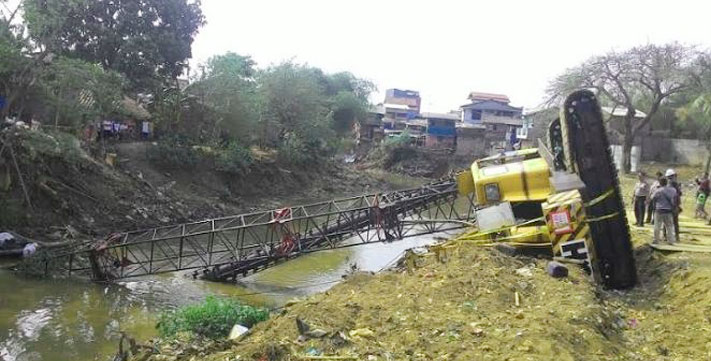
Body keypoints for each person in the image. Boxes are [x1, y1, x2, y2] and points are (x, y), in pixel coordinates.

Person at [652, 177, 677, 244]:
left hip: (659, 210)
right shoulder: (672, 190)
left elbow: (653, 198)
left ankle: (656, 240)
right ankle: (671, 241)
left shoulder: (658, 191)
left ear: (660, 183)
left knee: (657, 226)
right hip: (668, 210)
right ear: (666, 182)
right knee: (669, 226)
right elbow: (674, 197)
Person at [666, 168, 682, 242]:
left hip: (671, 205)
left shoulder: (670, 185)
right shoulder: (675, 185)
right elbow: (680, 194)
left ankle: (667, 236)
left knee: (669, 221)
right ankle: (675, 236)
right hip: (674, 205)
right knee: (674, 222)